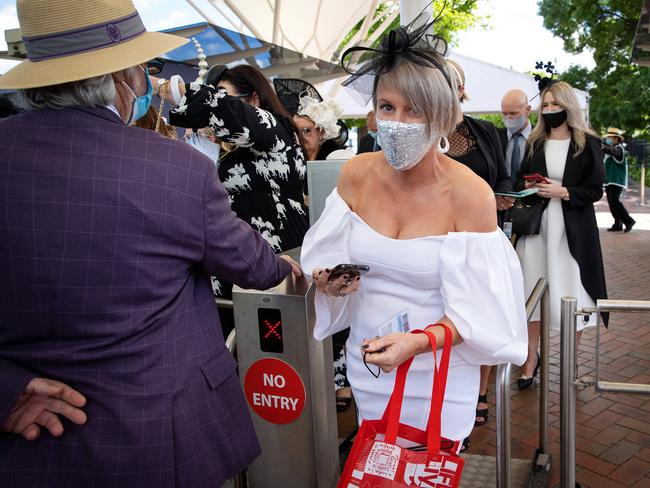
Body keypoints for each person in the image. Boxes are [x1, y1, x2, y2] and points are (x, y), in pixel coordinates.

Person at [0, 0, 301, 485]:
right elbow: (256, 267)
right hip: (159, 437)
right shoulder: (174, 168)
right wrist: (287, 266)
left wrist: (8, 390)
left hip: (27, 446)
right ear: (124, 78)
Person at [301, 14, 527, 452]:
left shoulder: (469, 194)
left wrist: (418, 342)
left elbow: (483, 311)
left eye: (415, 109)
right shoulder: (356, 175)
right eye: (388, 107)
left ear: (443, 117)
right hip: (369, 365)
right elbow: (328, 256)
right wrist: (331, 279)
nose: (398, 121)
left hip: (438, 373)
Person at [157, 65, 310, 334]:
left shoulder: (277, 133)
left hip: (277, 269)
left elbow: (224, 112)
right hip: (241, 271)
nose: (218, 103)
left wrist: (165, 87)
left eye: (224, 96)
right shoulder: (231, 152)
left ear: (253, 100)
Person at [515, 80, 607, 389]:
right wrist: (528, 188)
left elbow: (595, 190)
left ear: (568, 106)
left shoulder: (588, 142)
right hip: (537, 229)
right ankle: (531, 359)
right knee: (532, 292)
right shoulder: (534, 142)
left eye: (556, 104)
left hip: (572, 232)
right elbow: (519, 180)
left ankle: (571, 362)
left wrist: (564, 191)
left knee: (571, 293)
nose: (551, 110)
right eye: (546, 105)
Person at [445, 59, 516, 428]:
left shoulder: (486, 131)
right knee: (449, 320)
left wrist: (502, 196)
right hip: (438, 242)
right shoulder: (420, 133)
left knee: (482, 316)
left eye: (452, 82)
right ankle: (450, 395)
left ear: (461, 89)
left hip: (482, 239)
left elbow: (502, 177)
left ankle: (480, 392)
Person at [602, 127, 635, 232]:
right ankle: (618, 224)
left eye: (610, 138)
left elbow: (614, 152)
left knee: (615, 202)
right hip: (609, 180)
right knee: (612, 203)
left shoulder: (619, 148)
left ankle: (629, 221)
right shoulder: (610, 149)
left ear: (616, 139)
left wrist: (602, 147)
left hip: (617, 180)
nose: (608, 140)